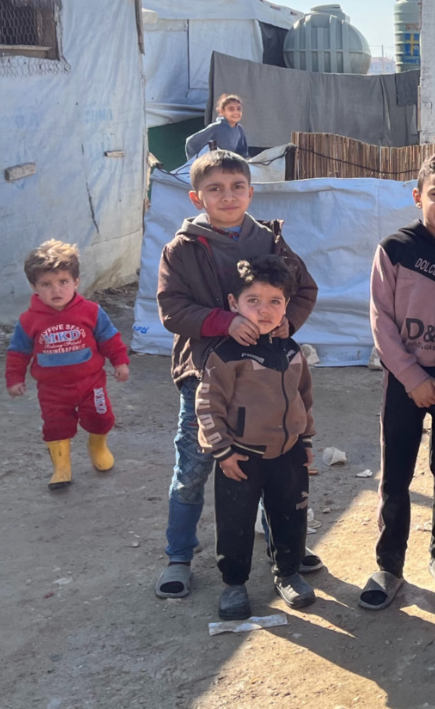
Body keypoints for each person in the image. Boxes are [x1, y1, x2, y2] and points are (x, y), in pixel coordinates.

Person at [153, 149, 319, 601]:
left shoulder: (270, 241)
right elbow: (172, 309)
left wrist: (287, 323)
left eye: (237, 187)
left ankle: (284, 551)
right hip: (206, 369)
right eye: (215, 189)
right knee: (195, 463)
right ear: (195, 197)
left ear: (251, 191)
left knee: (271, 458)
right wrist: (223, 322)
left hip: (267, 370)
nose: (227, 197)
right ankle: (179, 555)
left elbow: (304, 289)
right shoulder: (183, 249)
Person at [359, 152, 435, 610]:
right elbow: (381, 322)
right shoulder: (394, 249)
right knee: (397, 474)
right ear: (417, 197)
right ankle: (388, 565)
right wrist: (411, 376)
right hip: (404, 381)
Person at [196, 256, 317, 620]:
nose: (265, 311)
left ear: (286, 307)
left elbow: (304, 398)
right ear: (234, 304)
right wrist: (223, 452)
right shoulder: (226, 354)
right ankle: (234, 584)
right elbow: (207, 406)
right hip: (241, 456)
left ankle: (288, 572)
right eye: (254, 301)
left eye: (275, 302)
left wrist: (306, 440)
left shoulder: (293, 350)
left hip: (289, 452)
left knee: (291, 516)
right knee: (235, 522)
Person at [5, 240, 131, 490]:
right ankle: (62, 468)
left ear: (76, 282)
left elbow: (109, 338)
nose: (56, 290)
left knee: (101, 418)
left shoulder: (92, 312)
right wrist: (14, 379)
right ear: (34, 287)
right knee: (55, 425)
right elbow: (18, 352)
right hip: (52, 389)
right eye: (46, 284)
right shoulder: (29, 320)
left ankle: (97, 447)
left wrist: (120, 362)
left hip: (90, 383)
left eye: (63, 282)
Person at [185, 94, 249, 160]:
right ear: (222, 112)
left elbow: (242, 152)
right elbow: (191, 142)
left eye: (239, 109)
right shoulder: (216, 128)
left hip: (230, 165)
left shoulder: (239, 129)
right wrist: (197, 162)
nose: (236, 112)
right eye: (231, 109)